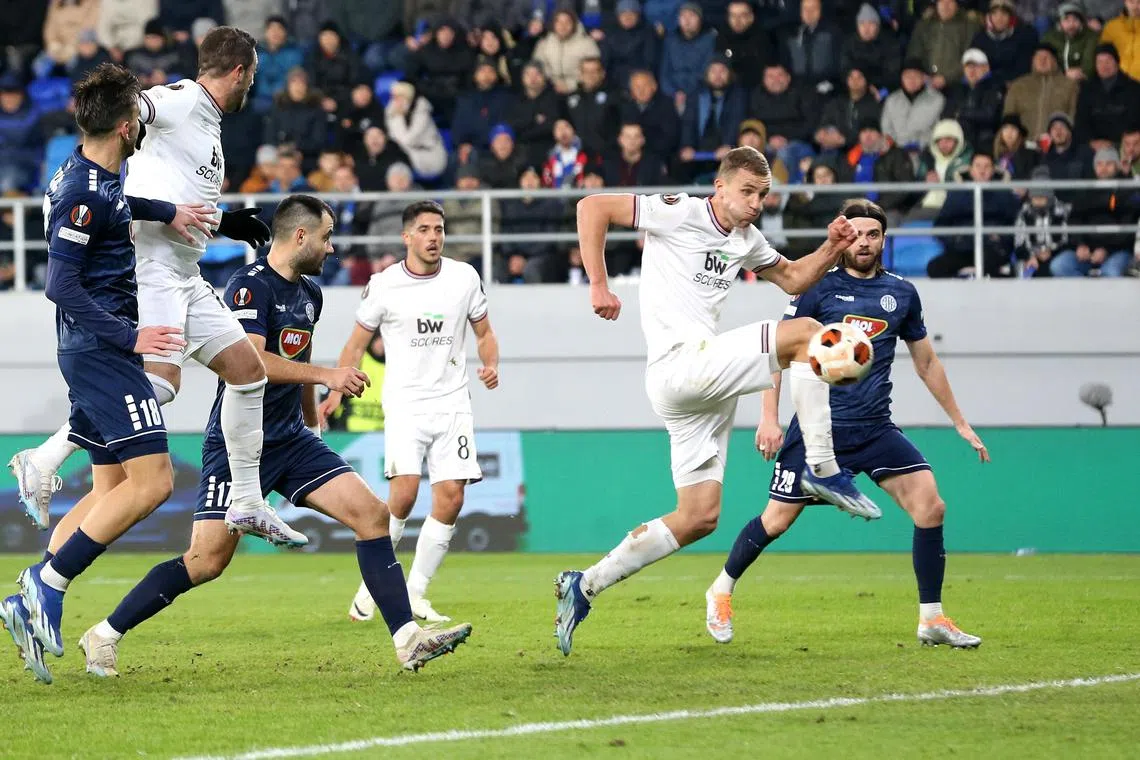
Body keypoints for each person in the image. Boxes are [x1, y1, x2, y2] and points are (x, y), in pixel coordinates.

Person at [73, 195, 473, 677]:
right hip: (238, 445)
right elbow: (255, 363)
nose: (332, 249)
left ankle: (408, 640)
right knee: (206, 560)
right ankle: (104, 633)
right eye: (326, 237)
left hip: (291, 440)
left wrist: (310, 422)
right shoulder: (248, 287)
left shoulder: (310, 293)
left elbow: (298, 361)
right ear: (300, 236)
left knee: (372, 514)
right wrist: (328, 375)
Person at [554, 147, 883, 657]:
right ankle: (820, 465)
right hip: (682, 364)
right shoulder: (680, 210)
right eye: (747, 192)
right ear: (721, 186)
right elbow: (591, 207)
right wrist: (599, 284)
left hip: (699, 387)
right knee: (809, 334)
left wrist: (832, 248)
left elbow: (794, 278)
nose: (755, 204)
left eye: (763, 196)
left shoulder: (746, 240)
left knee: (699, 515)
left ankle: (585, 585)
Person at [8, 27, 308, 547]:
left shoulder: (206, 123)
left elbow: (176, 193)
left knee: (248, 373)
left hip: (184, 273)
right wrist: (108, 119)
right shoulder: (183, 100)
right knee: (162, 384)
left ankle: (246, 502)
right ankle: (47, 455)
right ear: (239, 71)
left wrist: (225, 221)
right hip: (150, 270)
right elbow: (126, 112)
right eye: (252, 77)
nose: (251, 88)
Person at [0, 64, 215, 684]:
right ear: (125, 127)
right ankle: (43, 588)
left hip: (98, 350)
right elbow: (60, 285)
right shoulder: (83, 191)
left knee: (105, 490)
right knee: (152, 485)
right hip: (100, 352)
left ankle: (38, 596)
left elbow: (117, 206)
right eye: (141, 118)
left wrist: (167, 209)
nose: (146, 124)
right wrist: (133, 336)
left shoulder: (92, 173)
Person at [705, 198, 989, 650]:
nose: (863, 241)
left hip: (876, 428)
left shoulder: (902, 294)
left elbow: (927, 362)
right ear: (843, 236)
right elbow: (775, 354)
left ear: (883, 240)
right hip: (821, 431)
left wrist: (960, 422)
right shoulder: (816, 289)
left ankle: (931, 619)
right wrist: (768, 418)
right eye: (856, 234)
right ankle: (720, 590)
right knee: (775, 521)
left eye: (872, 234)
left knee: (931, 507)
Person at [319, 201, 500, 625]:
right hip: (405, 404)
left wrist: (491, 364)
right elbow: (356, 344)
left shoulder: (464, 277)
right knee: (403, 494)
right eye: (424, 230)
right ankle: (373, 585)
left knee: (452, 497)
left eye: (439, 229)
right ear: (407, 237)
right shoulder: (384, 285)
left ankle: (415, 591)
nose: (434, 237)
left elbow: (485, 332)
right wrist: (337, 390)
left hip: (453, 400)